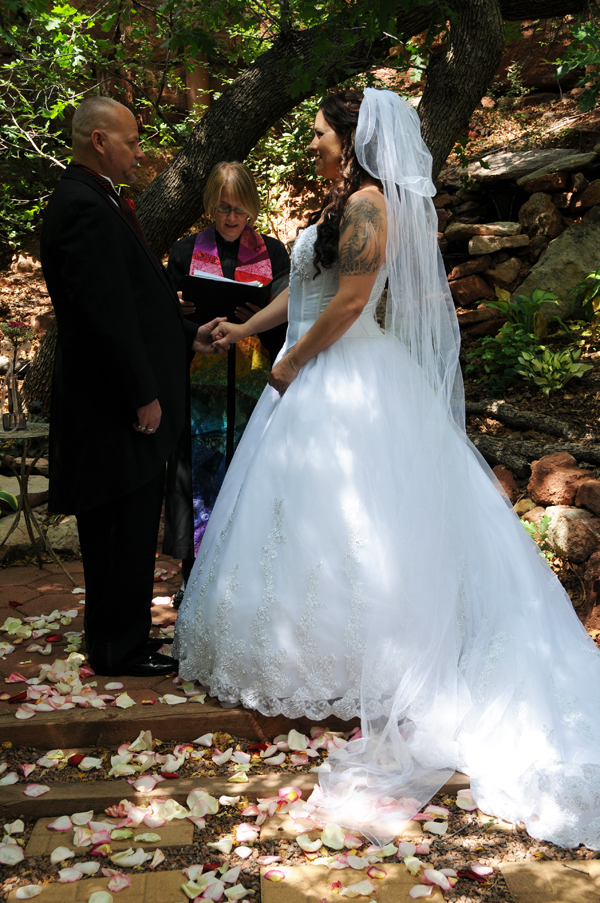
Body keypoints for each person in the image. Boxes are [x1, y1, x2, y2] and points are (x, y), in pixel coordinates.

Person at [174, 88, 600, 850]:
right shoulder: (344, 201)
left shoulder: (371, 205)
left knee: (357, 520)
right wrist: (246, 326)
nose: (310, 142)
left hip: (347, 377)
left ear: (351, 136)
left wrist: (295, 361)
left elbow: (349, 302)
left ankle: (364, 665)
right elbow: (301, 292)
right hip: (310, 371)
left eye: (317, 132)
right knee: (298, 521)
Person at [40, 96, 222, 677]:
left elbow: (138, 304)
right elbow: (104, 315)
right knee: (120, 526)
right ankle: (118, 648)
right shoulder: (82, 207)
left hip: (120, 397)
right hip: (112, 406)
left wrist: (188, 335)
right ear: (100, 141)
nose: (140, 151)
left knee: (131, 522)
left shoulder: (98, 200)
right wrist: (142, 394)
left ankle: (123, 639)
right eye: (133, 141)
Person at [163, 162, 289, 606]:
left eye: (239, 209)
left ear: (252, 207)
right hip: (201, 380)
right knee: (199, 474)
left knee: (250, 471)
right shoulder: (184, 253)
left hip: (254, 375)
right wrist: (181, 313)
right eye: (222, 209)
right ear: (210, 208)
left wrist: (255, 319)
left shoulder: (273, 253)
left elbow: (289, 318)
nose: (231, 218)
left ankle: (250, 574)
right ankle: (192, 577)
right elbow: (168, 316)